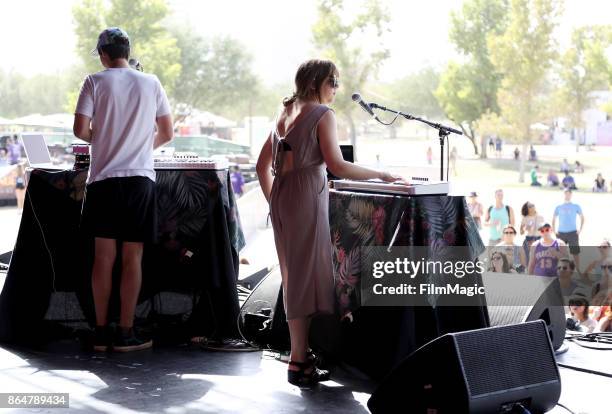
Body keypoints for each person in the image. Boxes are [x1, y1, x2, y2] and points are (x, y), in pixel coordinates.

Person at [256, 59, 402, 386]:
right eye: (332, 81)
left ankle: (300, 357)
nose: (336, 88)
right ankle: (298, 360)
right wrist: (382, 174)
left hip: (283, 198)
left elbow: (261, 167)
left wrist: (276, 203)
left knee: (295, 277)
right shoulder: (322, 115)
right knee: (304, 279)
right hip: (305, 197)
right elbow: (338, 164)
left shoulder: (284, 112)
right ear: (316, 83)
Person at [73, 27, 174, 352]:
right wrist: (140, 145)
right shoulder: (152, 82)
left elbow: (79, 130)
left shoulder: (94, 81)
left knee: (103, 259)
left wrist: (104, 141)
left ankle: (101, 332)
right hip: (140, 180)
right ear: (127, 53)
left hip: (103, 180)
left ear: (103, 54)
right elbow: (167, 132)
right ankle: (126, 332)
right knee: (133, 257)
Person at [553, 188, 584, 270]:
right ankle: (558, 269)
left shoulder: (576, 206)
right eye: (565, 193)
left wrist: (580, 229)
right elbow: (553, 219)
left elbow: (582, 217)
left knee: (575, 252)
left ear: (571, 194)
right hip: (561, 233)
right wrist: (554, 230)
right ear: (563, 194)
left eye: (569, 193)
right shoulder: (558, 207)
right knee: (559, 252)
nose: (567, 195)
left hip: (573, 233)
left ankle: (578, 270)